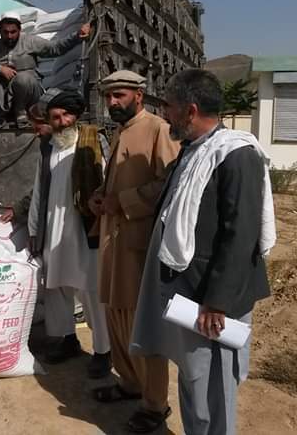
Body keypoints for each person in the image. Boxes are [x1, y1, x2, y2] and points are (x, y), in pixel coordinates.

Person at [130, 69, 275, 434]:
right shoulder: (193, 151)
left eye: (169, 106)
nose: (165, 115)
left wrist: (218, 301)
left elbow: (240, 235)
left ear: (190, 110)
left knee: (213, 386)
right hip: (188, 288)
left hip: (210, 298)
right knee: (194, 381)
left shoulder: (236, 155)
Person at [88, 70, 179, 433]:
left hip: (138, 244)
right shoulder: (121, 131)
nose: (112, 102)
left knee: (142, 326)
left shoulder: (158, 129)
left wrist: (122, 202)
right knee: (116, 317)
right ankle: (128, 383)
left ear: (139, 95)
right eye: (109, 96)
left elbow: (168, 183)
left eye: (120, 96)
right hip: (114, 241)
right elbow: (117, 182)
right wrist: (100, 197)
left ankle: (155, 405)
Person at [28, 88, 111, 378]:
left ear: (75, 116)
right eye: (55, 117)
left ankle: (103, 350)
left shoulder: (92, 140)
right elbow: (40, 188)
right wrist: (35, 227)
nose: (61, 121)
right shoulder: (48, 147)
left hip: (84, 227)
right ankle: (67, 340)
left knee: (91, 289)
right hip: (54, 227)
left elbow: (109, 179)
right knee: (57, 287)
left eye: (66, 115)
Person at [0, 11, 91, 127]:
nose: (9, 36)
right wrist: (0, 69)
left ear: (19, 30)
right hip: (6, 94)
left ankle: (21, 113)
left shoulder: (30, 41)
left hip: (30, 93)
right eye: (5, 32)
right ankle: (1, 114)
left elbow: (55, 48)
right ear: (0, 31)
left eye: (13, 32)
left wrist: (76, 36)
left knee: (22, 78)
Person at [0, 103, 52, 225]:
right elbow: (41, 186)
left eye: (38, 129)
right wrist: (17, 209)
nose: (37, 134)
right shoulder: (46, 146)